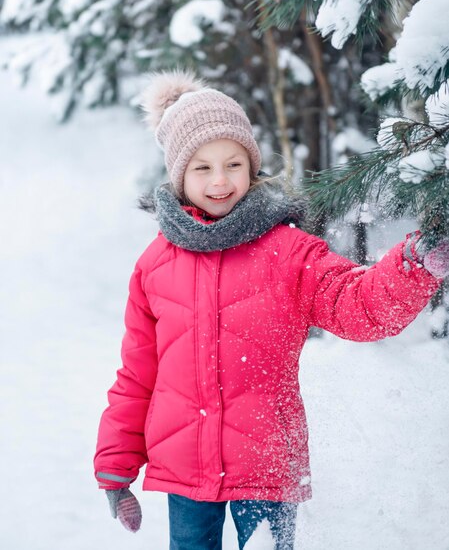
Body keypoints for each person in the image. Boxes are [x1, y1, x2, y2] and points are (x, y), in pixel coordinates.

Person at [94, 70, 448, 549]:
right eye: (202, 168)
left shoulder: (288, 251)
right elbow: (138, 375)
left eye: (233, 164)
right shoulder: (155, 265)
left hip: (264, 467)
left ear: (252, 166)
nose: (220, 181)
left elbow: (358, 307)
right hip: (186, 471)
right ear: (179, 175)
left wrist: (412, 266)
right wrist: (115, 467)